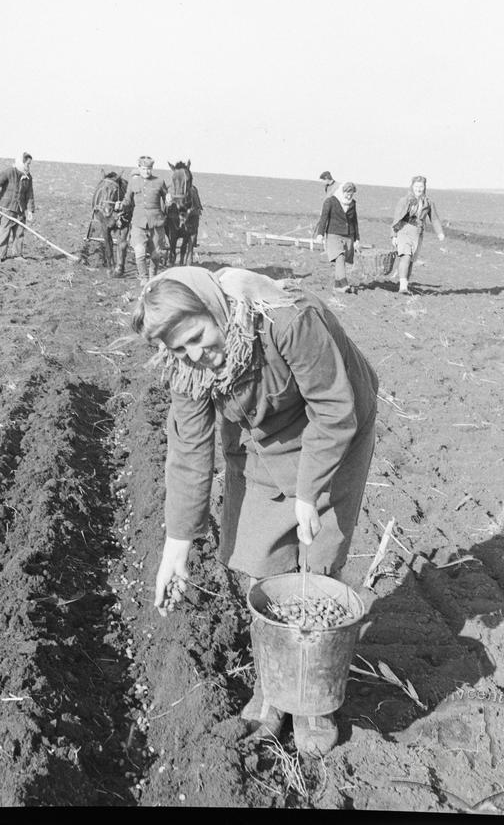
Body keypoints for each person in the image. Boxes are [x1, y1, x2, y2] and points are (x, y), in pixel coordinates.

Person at [131, 266, 378, 756]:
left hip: (334, 430)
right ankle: (272, 687)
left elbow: (333, 408)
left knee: (317, 564)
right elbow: (187, 452)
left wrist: (309, 492)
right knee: (260, 560)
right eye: (182, 349)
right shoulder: (188, 369)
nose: (198, 356)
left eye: (200, 337)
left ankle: (312, 698)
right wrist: (175, 546)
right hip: (262, 441)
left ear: (214, 308)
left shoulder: (286, 321)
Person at [390, 175, 445, 295]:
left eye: (421, 186)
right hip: (404, 230)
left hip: (418, 233)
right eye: (416, 186)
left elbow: (434, 219)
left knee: (410, 260)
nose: (419, 189)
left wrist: (440, 232)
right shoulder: (405, 200)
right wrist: (393, 235)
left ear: (424, 187)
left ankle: (405, 285)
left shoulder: (428, 202)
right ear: (412, 187)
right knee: (406, 256)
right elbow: (397, 218)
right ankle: (402, 287)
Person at [120, 156, 169, 285]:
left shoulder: (159, 181)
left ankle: (153, 276)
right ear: (139, 168)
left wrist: (169, 200)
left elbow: (166, 198)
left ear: (152, 169)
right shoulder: (133, 182)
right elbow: (127, 200)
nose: (146, 171)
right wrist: (121, 204)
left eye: (149, 169)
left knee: (155, 254)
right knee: (139, 252)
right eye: (143, 169)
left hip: (156, 222)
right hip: (138, 222)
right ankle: (143, 278)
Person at [0, 152, 35, 264]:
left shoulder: (28, 177)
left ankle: (17, 254)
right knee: (4, 232)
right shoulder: (9, 172)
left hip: (20, 210)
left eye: (30, 164)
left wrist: (30, 210)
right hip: (7, 208)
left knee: (19, 233)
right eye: (27, 163)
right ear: (22, 162)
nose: (28, 166)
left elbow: (30, 194)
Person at [314, 174, 361, 294]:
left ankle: (337, 285)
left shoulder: (352, 203)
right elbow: (324, 218)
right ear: (342, 191)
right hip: (333, 234)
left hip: (348, 235)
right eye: (347, 193)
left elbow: (354, 221)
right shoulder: (330, 201)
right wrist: (320, 234)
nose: (349, 196)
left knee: (343, 259)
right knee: (339, 256)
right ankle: (344, 283)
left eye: (351, 194)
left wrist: (357, 239)